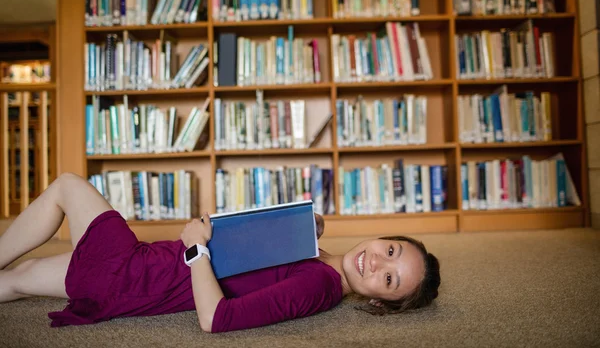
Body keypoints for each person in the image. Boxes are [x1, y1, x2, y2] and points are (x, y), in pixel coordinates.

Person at [0, 172, 441, 333]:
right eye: (389, 249)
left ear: (378, 302)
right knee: (23, 277)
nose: (376, 261)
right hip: (144, 275)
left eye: (388, 278)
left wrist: (195, 250)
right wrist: (300, 229)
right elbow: (254, 258)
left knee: (67, 186)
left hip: (137, 275)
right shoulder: (319, 260)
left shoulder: (318, 286)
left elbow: (216, 319)